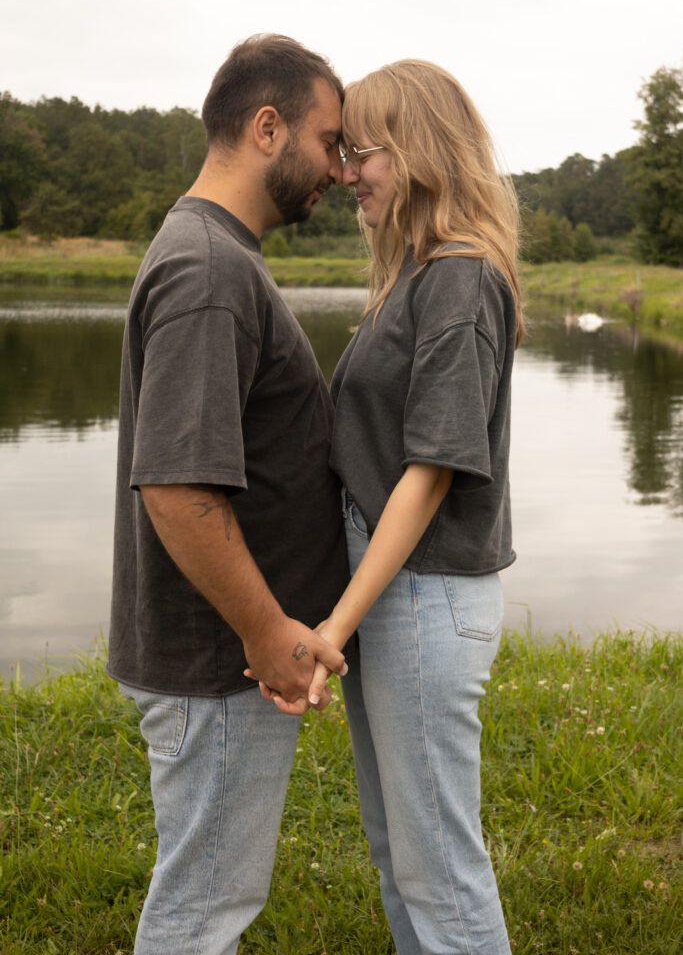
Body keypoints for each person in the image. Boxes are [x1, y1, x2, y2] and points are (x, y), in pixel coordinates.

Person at [260, 59, 523, 954]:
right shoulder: (414, 277)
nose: (341, 175)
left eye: (358, 152)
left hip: (425, 593)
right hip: (397, 594)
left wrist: (335, 623)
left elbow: (429, 475)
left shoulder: (459, 278)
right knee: (398, 855)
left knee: (438, 867)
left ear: (411, 152)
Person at [107, 33, 351, 955]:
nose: (336, 167)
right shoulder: (211, 270)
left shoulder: (215, 254)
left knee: (208, 896)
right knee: (203, 909)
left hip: (221, 659)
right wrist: (264, 631)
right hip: (220, 662)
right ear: (265, 126)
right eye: (329, 141)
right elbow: (176, 488)